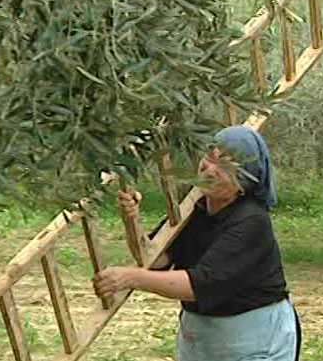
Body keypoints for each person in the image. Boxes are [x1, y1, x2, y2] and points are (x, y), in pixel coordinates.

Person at [92, 126, 301, 361]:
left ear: (244, 180)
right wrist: (132, 219)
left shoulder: (251, 221)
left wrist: (131, 277)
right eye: (209, 157)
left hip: (256, 341)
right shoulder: (193, 207)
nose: (209, 169)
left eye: (224, 166)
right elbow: (156, 258)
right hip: (203, 341)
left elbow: (199, 284)